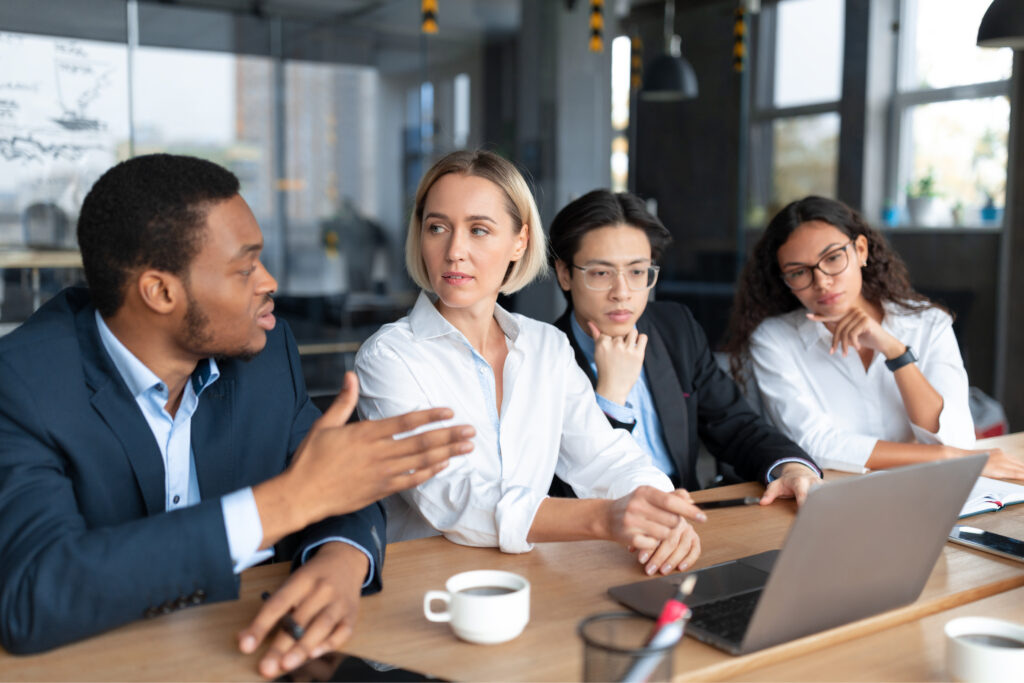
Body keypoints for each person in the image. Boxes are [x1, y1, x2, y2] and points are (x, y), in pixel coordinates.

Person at [0, 155, 475, 676]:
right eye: (245, 267)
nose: (268, 282)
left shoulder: (265, 354)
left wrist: (341, 560)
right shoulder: (23, 384)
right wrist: (287, 502)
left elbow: (331, 474)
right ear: (161, 292)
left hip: (255, 652)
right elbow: (32, 596)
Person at [356, 150, 708, 579]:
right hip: (428, 588)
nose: (454, 251)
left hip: (531, 578)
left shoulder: (546, 346)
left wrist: (662, 509)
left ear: (519, 241)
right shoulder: (389, 357)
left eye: (479, 230)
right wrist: (601, 519)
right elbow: (451, 496)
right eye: (437, 228)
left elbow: (605, 456)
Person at [547, 189, 821, 500]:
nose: (622, 291)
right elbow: (570, 490)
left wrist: (791, 468)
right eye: (601, 273)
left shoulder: (675, 328)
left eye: (637, 271)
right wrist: (610, 400)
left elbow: (735, 424)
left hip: (688, 518)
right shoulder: (541, 359)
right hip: (597, 536)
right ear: (565, 274)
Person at [723, 195, 1024, 478]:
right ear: (785, 280)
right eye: (799, 272)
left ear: (861, 251)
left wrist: (895, 351)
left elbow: (957, 437)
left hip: (933, 489)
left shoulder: (928, 323)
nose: (822, 282)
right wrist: (948, 458)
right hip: (837, 496)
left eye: (832, 259)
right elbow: (816, 444)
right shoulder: (774, 339)